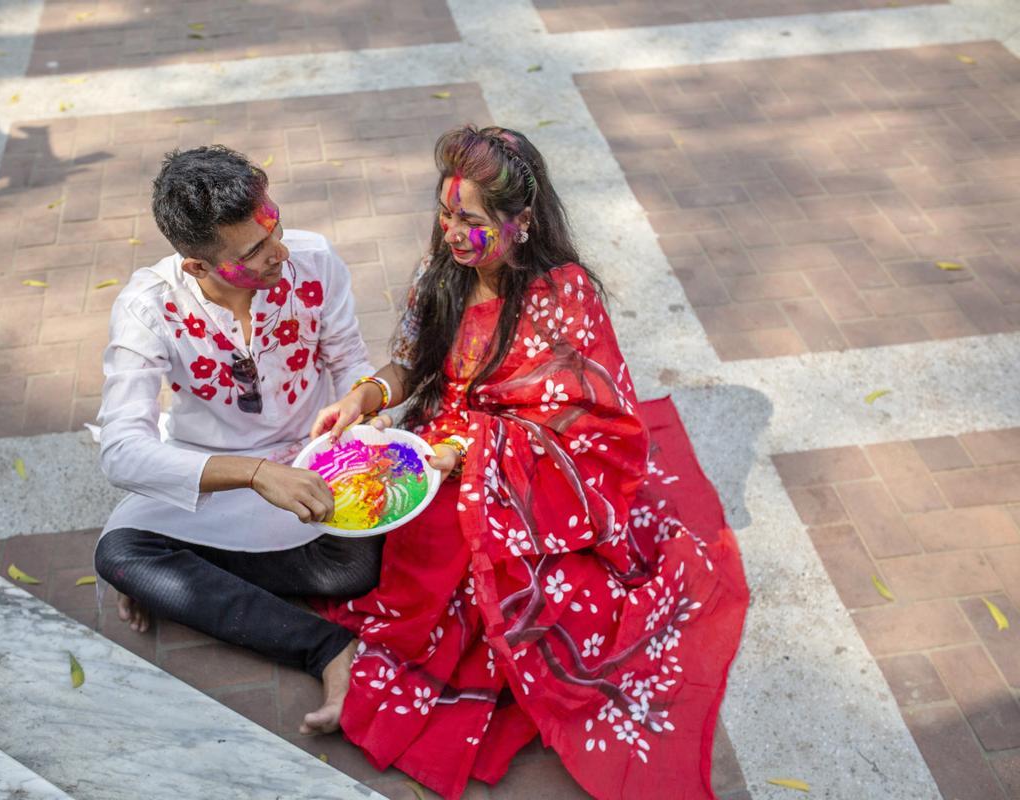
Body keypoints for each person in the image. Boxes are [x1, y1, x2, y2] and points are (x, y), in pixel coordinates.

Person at [310, 126, 750, 799]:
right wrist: (366, 396)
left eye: (471, 219)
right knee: (386, 538)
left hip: (529, 476)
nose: (452, 232)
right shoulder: (439, 276)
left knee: (503, 586)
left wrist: (475, 453)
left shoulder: (563, 295)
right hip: (442, 451)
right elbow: (409, 363)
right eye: (445, 212)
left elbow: (591, 420)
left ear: (521, 223)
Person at [93, 144, 385, 735]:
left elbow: (351, 361)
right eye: (253, 250)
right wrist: (254, 475)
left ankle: (190, 577)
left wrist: (361, 415)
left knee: (352, 567)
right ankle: (325, 648)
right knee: (120, 556)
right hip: (219, 477)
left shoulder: (313, 259)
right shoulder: (148, 308)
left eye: (272, 224)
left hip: (312, 463)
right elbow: (120, 450)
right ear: (198, 267)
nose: (278, 251)